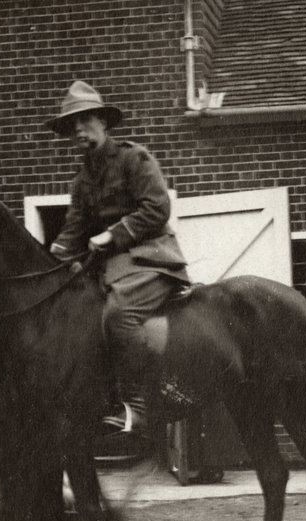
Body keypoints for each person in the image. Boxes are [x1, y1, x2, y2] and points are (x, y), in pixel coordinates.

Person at [45, 80, 190, 436]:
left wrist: (112, 234)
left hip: (152, 260)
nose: (79, 130)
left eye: (85, 120)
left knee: (118, 314)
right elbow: (73, 231)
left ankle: (139, 408)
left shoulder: (133, 158)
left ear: (103, 121)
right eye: (72, 125)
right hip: (112, 269)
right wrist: (51, 256)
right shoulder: (81, 180)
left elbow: (157, 208)